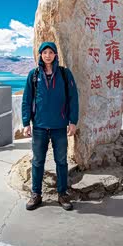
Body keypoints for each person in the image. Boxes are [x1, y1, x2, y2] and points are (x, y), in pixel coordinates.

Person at [21, 41, 79, 211]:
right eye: (44, 52)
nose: (47, 55)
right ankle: (36, 194)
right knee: (38, 161)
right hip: (39, 126)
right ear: (40, 55)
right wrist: (26, 123)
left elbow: (73, 98)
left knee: (61, 161)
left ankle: (62, 194)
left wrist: (73, 121)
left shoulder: (64, 74)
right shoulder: (33, 75)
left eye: (50, 52)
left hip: (59, 126)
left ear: (55, 55)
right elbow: (27, 100)